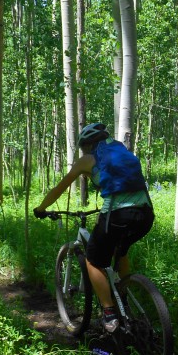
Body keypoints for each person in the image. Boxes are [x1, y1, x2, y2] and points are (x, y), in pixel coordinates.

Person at [34, 123, 154, 333]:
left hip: (117, 214)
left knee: (93, 260)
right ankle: (124, 299)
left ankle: (109, 313)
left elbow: (60, 188)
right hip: (145, 214)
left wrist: (42, 208)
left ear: (87, 145)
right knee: (120, 249)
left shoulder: (88, 159)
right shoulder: (121, 150)